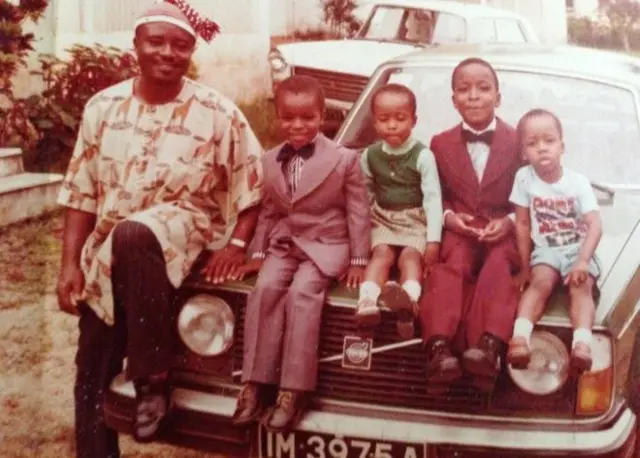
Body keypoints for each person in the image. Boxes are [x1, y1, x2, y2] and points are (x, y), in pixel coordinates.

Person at [55, 2, 264, 457]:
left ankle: (154, 378)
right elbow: (80, 193)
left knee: (135, 233)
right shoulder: (102, 107)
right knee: (92, 371)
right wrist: (70, 264)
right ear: (136, 46)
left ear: (192, 52)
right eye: (156, 42)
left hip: (178, 241)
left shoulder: (216, 112)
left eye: (180, 45)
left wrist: (239, 242)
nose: (168, 52)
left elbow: (255, 185)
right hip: (108, 260)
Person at [230, 75, 371, 432]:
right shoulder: (269, 159)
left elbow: (357, 212)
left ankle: (293, 390)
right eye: (288, 118)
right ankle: (255, 384)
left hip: (326, 246)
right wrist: (258, 251)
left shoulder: (344, 159)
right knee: (264, 291)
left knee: (303, 294)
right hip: (285, 243)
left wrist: (358, 260)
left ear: (321, 117)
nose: (297, 125)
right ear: (277, 118)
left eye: (307, 118)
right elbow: (269, 211)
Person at [419, 57, 524, 392]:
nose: (474, 96)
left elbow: (530, 192)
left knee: (499, 268)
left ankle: (488, 346)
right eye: (464, 90)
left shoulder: (517, 140)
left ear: (498, 96)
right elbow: (438, 194)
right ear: (453, 100)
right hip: (461, 231)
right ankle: (439, 347)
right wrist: (451, 217)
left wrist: (509, 222)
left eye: (483, 88)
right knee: (451, 268)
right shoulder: (439, 143)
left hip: (502, 229)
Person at [507, 108, 602, 373]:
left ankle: (581, 344)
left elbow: (595, 224)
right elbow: (523, 223)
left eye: (549, 141)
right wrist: (525, 266)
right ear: (523, 152)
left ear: (562, 146)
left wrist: (583, 260)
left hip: (576, 248)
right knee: (539, 284)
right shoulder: (524, 178)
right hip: (546, 249)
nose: (542, 148)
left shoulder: (577, 182)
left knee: (581, 288)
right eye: (532, 143)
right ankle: (520, 338)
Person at [354, 83, 442, 340]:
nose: (392, 125)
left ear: (413, 120)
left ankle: (408, 303)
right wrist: (364, 230)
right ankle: (367, 302)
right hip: (383, 217)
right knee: (381, 255)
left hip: (414, 219)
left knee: (410, 258)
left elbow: (433, 199)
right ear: (375, 122)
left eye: (400, 118)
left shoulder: (423, 155)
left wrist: (433, 241)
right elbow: (365, 194)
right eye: (384, 119)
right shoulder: (369, 155)